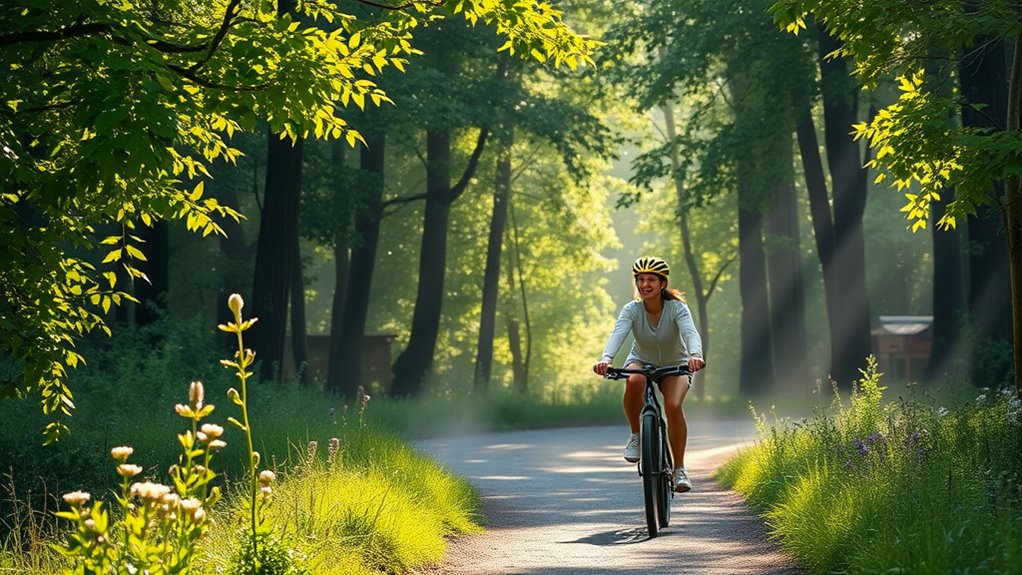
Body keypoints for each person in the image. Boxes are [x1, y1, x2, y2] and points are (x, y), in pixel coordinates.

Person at [593, 256, 705, 493]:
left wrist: (695, 355)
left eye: (651, 280)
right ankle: (636, 435)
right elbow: (618, 334)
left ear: (662, 283)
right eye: (640, 279)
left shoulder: (677, 308)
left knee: (673, 406)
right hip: (641, 361)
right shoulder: (632, 310)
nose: (645, 284)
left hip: (676, 364)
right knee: (634, 380)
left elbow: (690, 333)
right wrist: (606, 359)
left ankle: (679, 469)